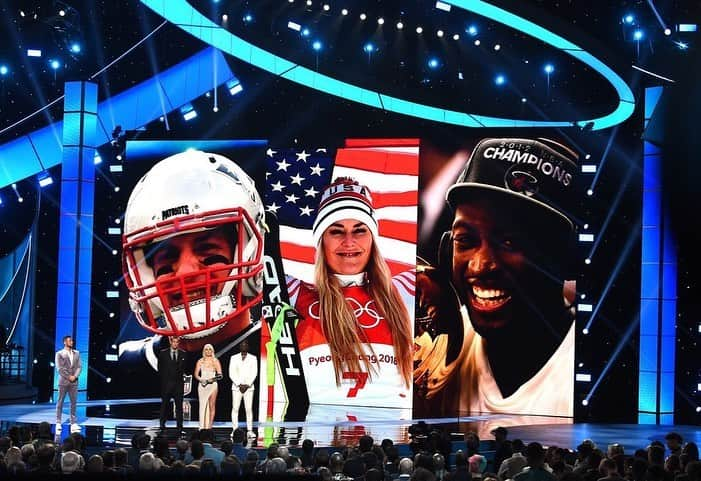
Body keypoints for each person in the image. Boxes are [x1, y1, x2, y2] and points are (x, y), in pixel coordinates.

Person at [414, 138, 579, 417]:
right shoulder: (436, 351)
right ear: (446, 248)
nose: (480, 266)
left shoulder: (583, 381)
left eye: (510, 243)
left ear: (564, 259)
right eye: (465, 240)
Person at [119, 149, 266, 368]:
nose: (186, 272)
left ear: (248, 250)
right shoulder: (128, 362)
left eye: (207, 252)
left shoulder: (288, 356)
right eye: (167, 260)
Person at [286, 176, 414, 408]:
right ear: (321, 240)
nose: (349, 242)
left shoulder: (404, 291)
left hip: (390, 439)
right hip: (319, 439)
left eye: (359, 230)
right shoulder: (294, 294)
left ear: (372, 239)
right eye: (336, 231)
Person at [229, 339, 257, 437]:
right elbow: (231, 373)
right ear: (239, 347)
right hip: (237, 387)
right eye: (242, 345)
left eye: (245, 344)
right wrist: (239, 384)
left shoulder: (253, 358)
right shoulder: (233, 358)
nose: (244, 346)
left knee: (248, 409)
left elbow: (254, 373)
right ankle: (235, 430)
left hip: (249, 388)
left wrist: (247, 384)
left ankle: (250, 430)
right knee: (235, 408)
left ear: (248, 347)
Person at [157, 335, 186, 433]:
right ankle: (162, 425)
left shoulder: (183, 354)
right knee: (164, 405)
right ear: (171, 342)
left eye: (177, 342)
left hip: (178, 385)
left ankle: (179, 427)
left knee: (179, 407)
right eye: (174, 342)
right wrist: (164, 380)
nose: (175, 344)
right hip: (166, 385)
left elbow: (185, 369)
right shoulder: (163, 353)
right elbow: (159, 368)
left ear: (179, 343)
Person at [55, 335, 81, 430]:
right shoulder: (59, 353)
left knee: (73, 402)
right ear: (64, 342)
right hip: (63, 381)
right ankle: (58, 422)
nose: (72, 342)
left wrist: (75, 376)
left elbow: (79, 367)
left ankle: (73, 422)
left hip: (74, 381)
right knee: (60, 401)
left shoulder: (77, 353)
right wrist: (69, 376)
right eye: (69, 341)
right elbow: (59, 368)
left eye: (72, 341)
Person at [194, 344, 222, 430]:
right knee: (202, 406)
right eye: (206, 349)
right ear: (204, 351)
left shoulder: (215, 361)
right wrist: (201, 379)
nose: (208, 351)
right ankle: (202, 426)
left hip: (212, 385)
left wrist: (211, 380)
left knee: (211, 406)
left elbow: (220, 375)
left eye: (210, 349)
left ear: (212, 351)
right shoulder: (200, 361)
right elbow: (196, 374)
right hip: (202, 386)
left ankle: (209, 427)